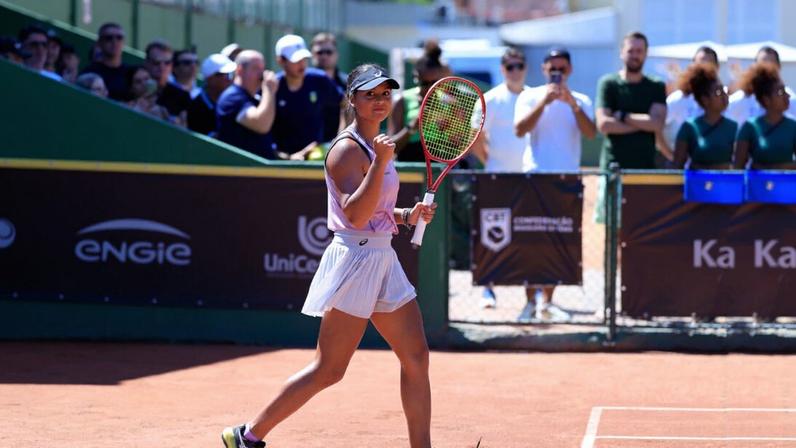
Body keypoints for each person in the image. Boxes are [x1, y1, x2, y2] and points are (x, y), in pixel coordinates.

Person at [221, 63, 437, 448]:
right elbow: (354, 213)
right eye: (370, 94)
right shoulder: (345, 150)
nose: (379, 100)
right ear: (352, 100)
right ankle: (247, 436)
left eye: (385, 93)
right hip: (354, 261)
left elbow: (376, 210)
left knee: (417, 357)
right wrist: (382, 163)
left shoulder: (378, 145)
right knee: (329, 370)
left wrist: (407, 214)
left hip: (384, 258)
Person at [513, 46, 596, 321]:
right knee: (530, 241)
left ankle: (547, 302)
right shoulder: (529, 96)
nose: (557, 73)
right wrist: (544, 103)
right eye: (552, 69)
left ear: (569, 70)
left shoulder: (581, 99)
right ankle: (528, 303)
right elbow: (520, 129)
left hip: (566, 181)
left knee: (558, 243)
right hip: (535, 178)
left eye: (561, 68)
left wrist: (571, 103)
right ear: (544, 70)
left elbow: (590, 133)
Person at [468, 47, 530, 309]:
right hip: (496, 179)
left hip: (530, 179)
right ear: (503, 70)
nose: (515, 71)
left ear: (525, 68)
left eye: (519, 66)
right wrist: (491, 163)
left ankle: (533, 293)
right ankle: (488, 289)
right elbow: (475, 137)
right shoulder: (491, 99)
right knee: (491, 234)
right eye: (510, 67)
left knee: (528, 235)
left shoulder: (534, 98)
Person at [596, 32, 667, 171]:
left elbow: (657, 124)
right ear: (621, 53)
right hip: (612, 169)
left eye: (639, 51)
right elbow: (604, 125)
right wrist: (644, 125)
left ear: (646, 54)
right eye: (630, 51)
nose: (635, 55)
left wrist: (623, 117)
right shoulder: (609, 84)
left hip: (645, 169)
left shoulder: (656, 86)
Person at [271, 34, 344, 159]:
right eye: (295, 60)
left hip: (317, 158)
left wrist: (341, 139)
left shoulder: (319, 79)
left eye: (304, 58)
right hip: (280, 163)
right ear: (281, 61)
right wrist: (287, 157)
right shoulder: (272, 87)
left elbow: (346, 104)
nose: (302, 64)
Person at [389, 39, 451, 162]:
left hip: (438, 168)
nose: (429, 88)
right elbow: (392, 147)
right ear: (416, 78)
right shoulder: (401, 101)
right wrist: (412, 127)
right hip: (409, 170)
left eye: (434, 83)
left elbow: (458, 145)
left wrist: (446, 130)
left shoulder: (448, 102)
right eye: (424, 83)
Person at [659, 46, 720, 160]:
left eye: (709, 63)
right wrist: (671, 156)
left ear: (717, 68)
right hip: (686, 170)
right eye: (701, 63)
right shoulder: (679, 99)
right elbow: (657, 128)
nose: (704, 68)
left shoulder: (723, 101)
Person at [215, 50, 278, 159]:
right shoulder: (232, 97)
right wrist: (269, 90)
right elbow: (261, 124)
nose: (261, 74)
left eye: (262, 69)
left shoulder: (254, 98)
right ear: (239, 70)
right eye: (255, 69)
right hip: (240, 171)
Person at [672, 64, 736, 169]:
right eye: (718, 92)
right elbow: (677, 165)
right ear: (705, 99)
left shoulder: (733, 127)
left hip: (725, 183)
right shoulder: (689, 127)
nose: (724, 96)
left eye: (724, 91)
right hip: (697, 183)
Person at [734, 63, 796, 170]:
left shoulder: (793, 126)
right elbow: (738, 166)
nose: (787, 96)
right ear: (767, 100)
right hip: (757, 186)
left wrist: (770, 167)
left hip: (786, 186)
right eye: (781, 92)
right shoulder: (750, 127)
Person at [727, 46, 796, 125]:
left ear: (779, 67)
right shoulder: (742, 98)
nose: (767, 68)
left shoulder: (790, 98)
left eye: (771, 63)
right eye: (763, 63)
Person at [311, 32, 348, 143]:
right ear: (312, 54)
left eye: (328, 52)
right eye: (319, 52)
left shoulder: (347, 83)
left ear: (336, 54)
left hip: (339, 145)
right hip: (305, 149)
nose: (324, 56)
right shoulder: (304, 81)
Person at [187, 53, 235, 135]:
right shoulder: (194, 106)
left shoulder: (233, 101)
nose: (230, 79)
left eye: (231, 74)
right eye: (225, 74)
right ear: (210, 78)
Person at [144, 40, 190, 124]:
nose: (162, 67)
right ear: (147, 63)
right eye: (156, 62)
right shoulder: (136, 86)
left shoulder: (182, 96)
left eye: (167, 63)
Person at [81, 23, 130, 101]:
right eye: (109, 38)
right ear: (99, 43)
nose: (115, 42)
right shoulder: (89, 72)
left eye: (119, 38)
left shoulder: (131, 73)